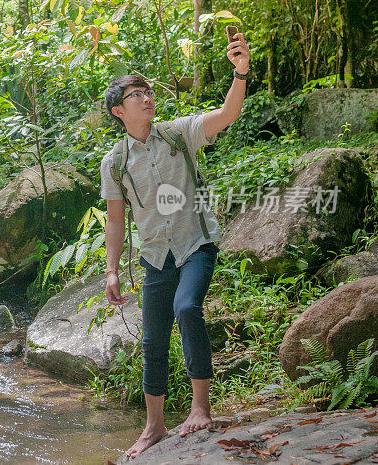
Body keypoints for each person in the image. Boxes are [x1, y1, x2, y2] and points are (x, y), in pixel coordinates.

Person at [100, 33, 250, 459]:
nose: (147, 97)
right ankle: (154, 428)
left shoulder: (179, 133)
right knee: (153, 342)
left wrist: (240, 72)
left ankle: (200, 408)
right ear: (118, 110)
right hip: (155, 256)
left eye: (148, 91)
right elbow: (115, 220)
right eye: (136, 94)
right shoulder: (114, 163)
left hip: (196, 243)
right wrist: (111, 270)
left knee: (187, 307)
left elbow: (228, 113)